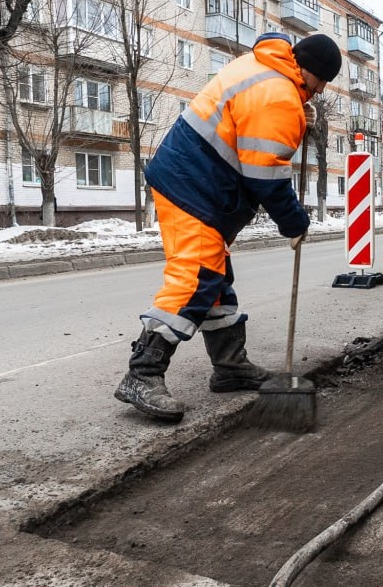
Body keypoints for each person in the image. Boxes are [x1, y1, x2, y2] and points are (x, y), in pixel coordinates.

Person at [115, 32, 342, 422]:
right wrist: (294, 221)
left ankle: (230, 366)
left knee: (215, 277)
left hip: (193, 181)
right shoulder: (279, 95)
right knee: (196, 275)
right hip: (193, 187)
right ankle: (142, 373)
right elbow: (265, 175)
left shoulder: (262, 68)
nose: (319, 94)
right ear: (311, 73)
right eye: (322, 84)